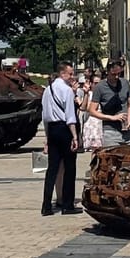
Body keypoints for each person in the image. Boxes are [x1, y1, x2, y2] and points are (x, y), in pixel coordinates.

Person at [41, 59, 80, 215]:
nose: (73, 77)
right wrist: (75, 137)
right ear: (62, 73)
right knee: (70, 167)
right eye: (71, 74)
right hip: (64, 129)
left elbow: (44, 116)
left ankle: (46, 205)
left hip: (52, 129)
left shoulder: (47, 90)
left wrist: (46, 136)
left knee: (52, 169)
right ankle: (67, 204)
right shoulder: (67, 91)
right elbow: (70, 116)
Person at [93, 62, 130, 147]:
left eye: (119, 73)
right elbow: (92, 111)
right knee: (112, 158)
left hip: (127, 131)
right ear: (107, 72)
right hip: (110, 131)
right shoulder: (100, 87)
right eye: (113, 74)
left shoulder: (125, 83)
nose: (117, 77)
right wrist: (112, 117)